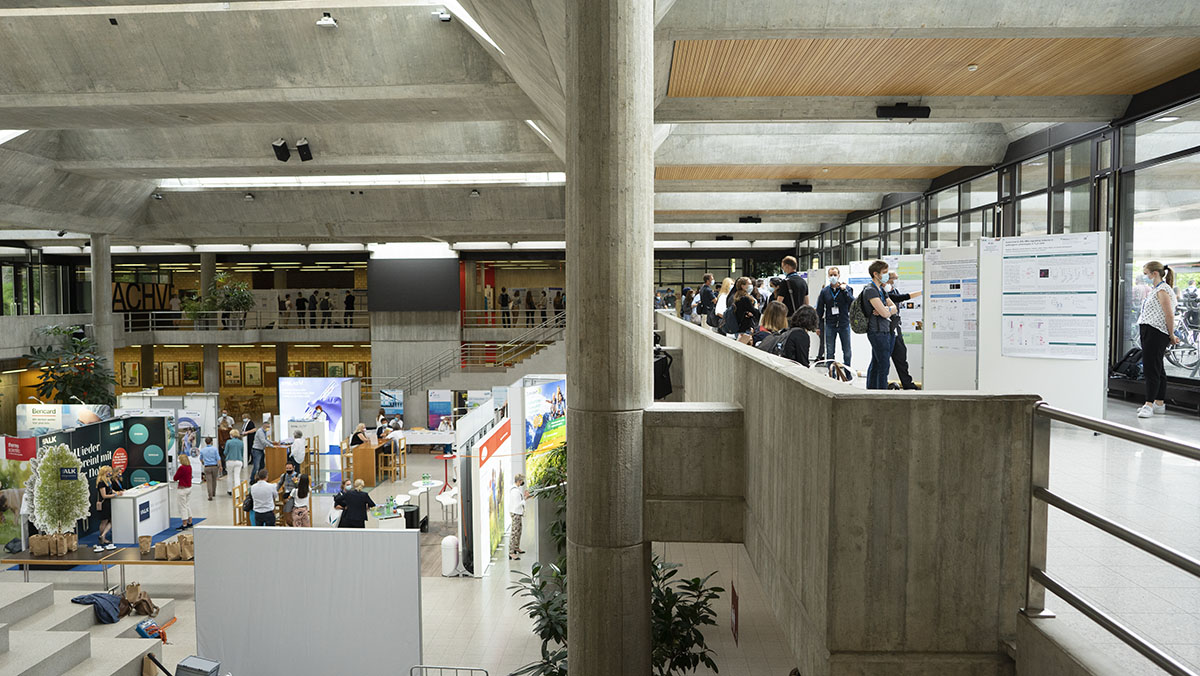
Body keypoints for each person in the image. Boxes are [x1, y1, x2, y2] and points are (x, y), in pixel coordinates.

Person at [1137, 261, 1178, 418]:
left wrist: (1171, 334)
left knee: (1151, 368)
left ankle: (1149, 404)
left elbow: (1169, 314)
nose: (1145, 276)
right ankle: (1159, 402)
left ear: (1154, 273)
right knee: (1157, 367)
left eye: (1146, 273)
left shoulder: (1162, 290)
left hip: (1156, 332)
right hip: (1150, 330)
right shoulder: (1156, 289)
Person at [861, 260, 898, 390]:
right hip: (876, 331)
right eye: (884, 272)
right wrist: (887, 310)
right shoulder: (870, 290)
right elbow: (885, 313)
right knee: (883, 365)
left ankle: (872, 390)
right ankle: (881, 393)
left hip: (885, 330)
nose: (887, 275)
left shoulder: (881, 290)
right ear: (876, 274)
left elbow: (894, 307)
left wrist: (887, 309)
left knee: (877, 363)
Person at [886, 271, 923, 390]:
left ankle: (907, 383)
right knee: (882, 360)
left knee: (901, 356)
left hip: (896, 327)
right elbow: (901, 298)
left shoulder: (895, 290)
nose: (896, 281)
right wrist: (921, 292)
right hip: (886, 329)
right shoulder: (884, 293)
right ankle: (879, 384)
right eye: (894, 278)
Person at [815, 267, 854, 366]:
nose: (833, 277)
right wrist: (817, 326)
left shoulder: (847, 289)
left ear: (839, 276)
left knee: (847, 351)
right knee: (830, 351)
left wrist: (845, 291)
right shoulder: (824, 291)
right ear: (828, 276)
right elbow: (819, 310)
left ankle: (847, 372)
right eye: (831, 275)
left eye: (835, 275)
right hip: (830, 324)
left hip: (844, 323)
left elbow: (852, 303)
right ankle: (831, 372)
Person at [93, 466, 122, 551]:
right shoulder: (101, 483)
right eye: (108, 472)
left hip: (109, 504)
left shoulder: (108, 481)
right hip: (104, 505)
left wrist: (117, 492)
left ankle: (102, 536)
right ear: (104, 473)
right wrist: (115, 495)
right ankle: (103, 537)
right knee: (104, 521)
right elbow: (104, 495)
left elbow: (111, 490)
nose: (110, 473)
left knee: (111, 521)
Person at [508, 474, 527, 560]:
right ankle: (511, 552)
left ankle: (516, 547)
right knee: (514, 532)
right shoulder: (515, 491)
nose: (523, 482)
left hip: (518, 513)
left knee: (519, 531)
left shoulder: (516, 490)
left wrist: (524, 498)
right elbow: (517, 504)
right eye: (522, 480)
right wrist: (524, 500)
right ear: (519, 481)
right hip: (516, 513)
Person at [174, 454, 194, 530]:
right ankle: (190, 522)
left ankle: (184, 524)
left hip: (182, 489)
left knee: (182, 506)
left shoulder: (181, 468)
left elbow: (175, 478)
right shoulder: (189, 467)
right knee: (187, 505)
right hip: (189, 488)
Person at [198, 436, 221, 501]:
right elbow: (218, 458)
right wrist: (220, 466)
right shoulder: (215, 449)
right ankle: (213, 492)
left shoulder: (202, 450)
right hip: (214, 466)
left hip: (207, 467)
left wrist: (203, 462)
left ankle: (210, 495)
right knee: (214, 480)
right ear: (211, 442)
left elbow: (200, 458)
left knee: (209, 481)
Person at [276, 461, 298, 526]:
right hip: (286, 495)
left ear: (293, 468)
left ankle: (291, 524)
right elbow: (279, 484)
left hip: (293, 496)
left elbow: (299, 487)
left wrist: (295, 481)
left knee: (286, 511)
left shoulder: (297, 475)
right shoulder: (284, 476)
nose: (288, 470)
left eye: (290, 468)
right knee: (286, 509)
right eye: (287, 468)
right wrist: (275, 491)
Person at [223, 429, 245, 495]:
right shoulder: (241, 442)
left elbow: (225, 452)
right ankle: (237, 492)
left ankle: (229, 490)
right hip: (239, 460)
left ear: (232, 435)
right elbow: (242, 452)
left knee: (229, 475)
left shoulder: (228, 442)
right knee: (237, 476)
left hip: (230, 460)